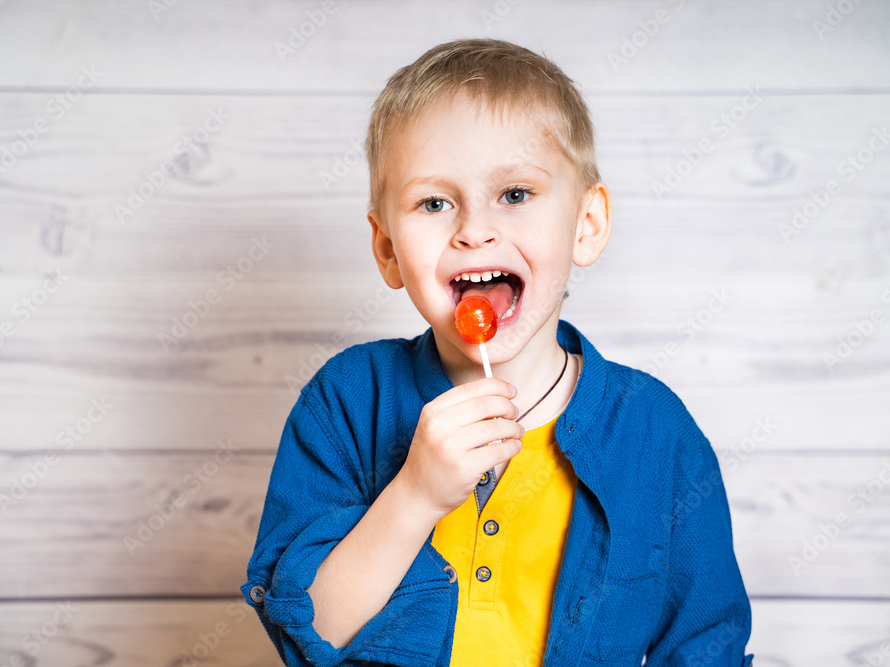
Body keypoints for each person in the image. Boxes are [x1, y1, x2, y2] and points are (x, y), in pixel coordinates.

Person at [242, 38, 754, 666]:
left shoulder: (655, 432)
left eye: (515, 194)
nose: (474, 229)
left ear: (586, 225)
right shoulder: (347, 403)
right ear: (386, 250)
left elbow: (705, 644)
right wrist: (415, 496)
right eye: (434, 203)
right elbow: (308, 629)